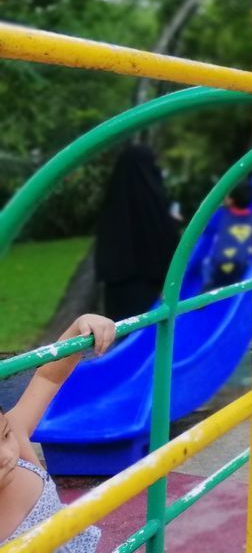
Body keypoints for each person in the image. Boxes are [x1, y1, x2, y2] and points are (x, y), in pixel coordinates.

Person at [0, 314, 117, 551]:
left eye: (4, 436)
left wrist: (79, 327)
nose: (6, 454)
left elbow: (47, 377)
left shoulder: (17, 436)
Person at [94, 145, 181, 321]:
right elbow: (167, 239)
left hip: (117, 284)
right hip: (148, 283)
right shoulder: (153, 202)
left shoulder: (114, 200)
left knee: (123, 331)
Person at [202, 183, 252, 288]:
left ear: (231, 200)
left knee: (206, 263)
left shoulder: (221, 214)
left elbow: (206, 230)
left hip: (219, 265)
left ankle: (206, 287)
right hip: (241, 266)